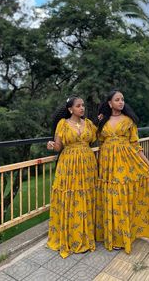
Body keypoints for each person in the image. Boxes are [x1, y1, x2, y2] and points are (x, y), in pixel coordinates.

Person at [95, 90, 149, 253]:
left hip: (125, 162)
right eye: (117, 100)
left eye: (122, 100)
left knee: (120, 196)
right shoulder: (102, 121)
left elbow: (135, 145)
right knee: (110, 196)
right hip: (106, 164)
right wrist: (97, 121)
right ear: (109, 103)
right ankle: (111, 234)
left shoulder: (128, 121)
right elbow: (94, 138)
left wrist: (148, 165)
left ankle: (123, 236)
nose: (121, 102)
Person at [46, 96, 97, 258]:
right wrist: (52, 146)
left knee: (86, 196)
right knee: (71, 196)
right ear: (70, 109)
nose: (82, 108)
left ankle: (85, 235)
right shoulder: (63, 124)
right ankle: (71, 236)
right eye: (78, 106)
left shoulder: (88, 123)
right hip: (68, 165)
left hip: (88, 165)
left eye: (83, 105)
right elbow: (58, 147)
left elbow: (98, 138)